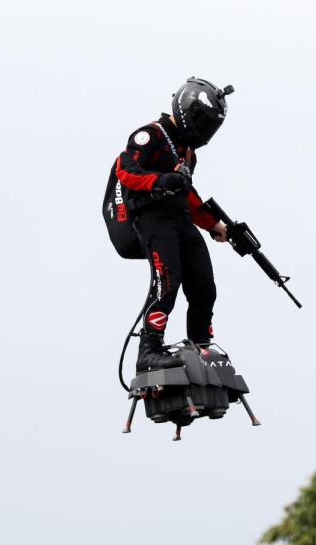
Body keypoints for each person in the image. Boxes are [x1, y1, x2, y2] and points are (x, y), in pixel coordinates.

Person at [114, 77, 233, 372]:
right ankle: (149, 350)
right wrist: (159, 180)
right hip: (152, 217)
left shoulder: (188, 154)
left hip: (180, 219)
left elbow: (188, 197)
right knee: (167, 281)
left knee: (204, 284)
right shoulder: (150, 134)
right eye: (203, 123)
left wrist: (214, 225)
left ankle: (200, 347)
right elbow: (124, 170)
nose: (205, 132)